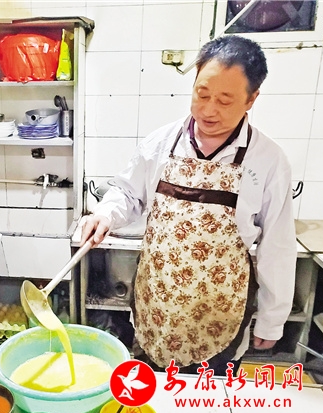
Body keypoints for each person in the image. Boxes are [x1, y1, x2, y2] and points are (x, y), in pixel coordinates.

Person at [79, 35, 297, 376]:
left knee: (207, 398)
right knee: (150, 393)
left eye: (225, 100)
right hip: (156, 307)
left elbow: (278, 246)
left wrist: (272, 320)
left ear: (251, 99)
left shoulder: (268, 160)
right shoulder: (160, 143)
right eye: (202, 94)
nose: (209, 110)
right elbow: (128, 193)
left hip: (220, 317)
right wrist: (105, 213)